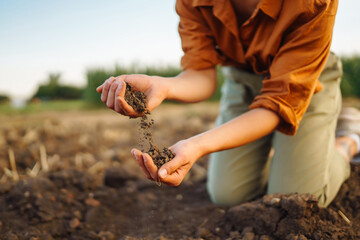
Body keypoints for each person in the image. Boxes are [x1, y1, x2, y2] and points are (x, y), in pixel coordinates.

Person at [96, 0, 360, 207]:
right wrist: (163, 85)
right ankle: (282, 153)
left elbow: (276, 104)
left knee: (300, 196)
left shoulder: (313, 2)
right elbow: (201, 76)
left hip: (304, 83)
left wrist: (198, 145)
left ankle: (347, 140)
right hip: (243, 80)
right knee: (227, 195)